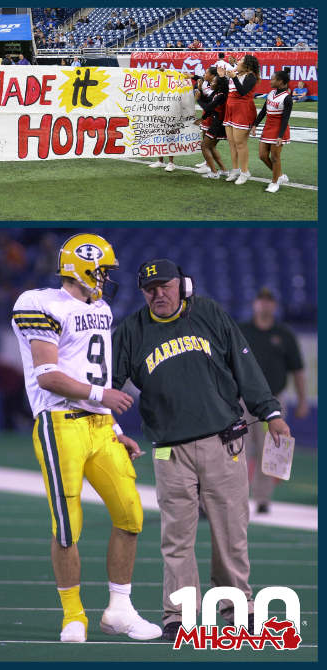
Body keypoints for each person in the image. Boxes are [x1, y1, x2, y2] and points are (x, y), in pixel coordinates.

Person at [112, 259, 291, 640]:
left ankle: (237, 604)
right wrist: (108, 424)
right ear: (141, 292)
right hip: (168, 451)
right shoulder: (130, 330)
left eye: (165, 285)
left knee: (231, 530)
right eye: (150, 288)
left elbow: (245, 365)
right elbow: (108, 384)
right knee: (176, 536)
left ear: (182, 285)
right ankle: (178, 614)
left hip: (224, 442)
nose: (158, 293)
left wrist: (270, 411)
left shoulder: (208, 312)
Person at [11, 233, 160, 643]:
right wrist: (102, 396)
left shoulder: (102, 308)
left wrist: (113, 425)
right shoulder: (39, 303)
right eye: (103, 270)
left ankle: (120, 610)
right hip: (60, 423)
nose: (107, 278)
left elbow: (92, 371)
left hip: (98, 426)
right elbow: (48, 375)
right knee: (67, 527)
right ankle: (73, 614)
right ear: (83, 267)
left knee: (131, 514)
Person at [237, 287, 308, 512]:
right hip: (243, 401)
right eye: (261, 300)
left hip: (274, 402)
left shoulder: (285, 334)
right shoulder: (242, 331)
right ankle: (238, 496)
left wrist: (303, 400)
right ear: (254, 304)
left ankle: (263, 499)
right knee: (239, 450)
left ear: (275, 305)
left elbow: (298, 370)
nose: (264, 304)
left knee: (273, 449)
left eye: (269, 301)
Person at [252, 69, 295, 193]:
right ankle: (280, 176)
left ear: (280, 81)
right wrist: (255, 125)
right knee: (262, 155)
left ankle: (275, 182)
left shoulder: (287, 98)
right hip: (268, 127)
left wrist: (281, 135)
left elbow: (286, 118)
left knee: (275, 157)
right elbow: (264, 111)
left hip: (279, 129)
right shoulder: (271, 93)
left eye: (273, 79)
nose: (270, 81)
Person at [222, 55, 260, 184]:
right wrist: (225, 77)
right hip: (230, 108)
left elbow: (243, 92)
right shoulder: (236, 74)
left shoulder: (251, 76)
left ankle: (245, 172)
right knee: (232, 142)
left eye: (241, 61)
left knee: (240, 143)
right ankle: (235, 169)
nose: (237, 61)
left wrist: (233, 77)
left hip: (243, 109)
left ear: (247, 65)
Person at [194, 67, 229, 179]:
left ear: (218, 85)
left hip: (217, 125)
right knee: (212, 147)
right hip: (218, 124)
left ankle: (214, 173)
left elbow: (208, 107)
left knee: (204, 146)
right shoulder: (217, 95)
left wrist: (198, 99)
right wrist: (202, 118)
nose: (211, 83)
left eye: (214, 81)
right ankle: (223, 170)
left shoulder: (220, 96)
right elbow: (208, 103)